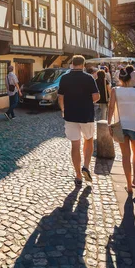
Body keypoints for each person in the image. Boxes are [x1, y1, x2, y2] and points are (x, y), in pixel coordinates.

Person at [58, 55, 100, 186]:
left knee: (75, 145)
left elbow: (60, 97)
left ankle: (78, 175)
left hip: (70, 115)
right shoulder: (88, 78)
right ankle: (86, 166)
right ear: (83, 64)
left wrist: (63, 109)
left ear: (72, 63)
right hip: (86, 114)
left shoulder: (65, 78)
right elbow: (96, 96)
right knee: (88, 139)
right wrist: (86, 101)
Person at [107, 66, 135, 194]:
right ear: (131, 78)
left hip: (121, 126)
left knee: (126, 156)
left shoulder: (115, 90)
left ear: (119, 79)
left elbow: (110, 108)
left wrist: (109, 123)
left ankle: (128, 184)